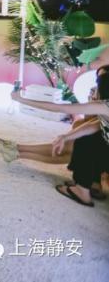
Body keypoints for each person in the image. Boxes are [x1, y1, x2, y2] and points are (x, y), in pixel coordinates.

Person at [11, 67, 109, 207]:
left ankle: (82, 191)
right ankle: (93, 184)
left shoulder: (104, 106)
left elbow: (59, 108)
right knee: (93, 138)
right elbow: (94, 125)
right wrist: (65, 137)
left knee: (86, 142)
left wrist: (21, 99)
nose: (95, 86)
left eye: (98, 81)